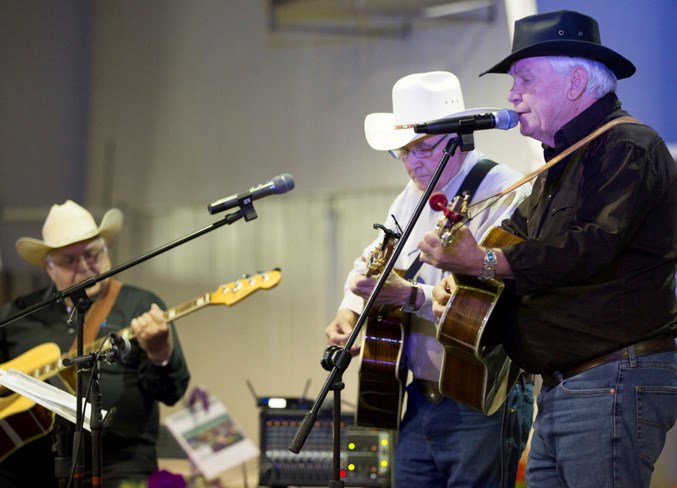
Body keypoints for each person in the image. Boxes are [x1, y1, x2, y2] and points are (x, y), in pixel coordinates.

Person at [422, 10, 677, 488]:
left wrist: (486, 261)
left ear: (576, 81)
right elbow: (513, 249)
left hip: (611, 379)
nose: (512, 95)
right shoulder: (555, 170)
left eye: (524, 80)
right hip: (569, 387)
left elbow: (591, 246)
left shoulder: (627, 146)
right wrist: (459, 286)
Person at [325, 71, 534, 487]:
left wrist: (408, 296)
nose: (411, 164)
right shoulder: (410, 196)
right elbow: (370, 259)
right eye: (401, 153)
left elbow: (488, 302)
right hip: (419, 398)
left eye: (422, 149)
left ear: (459, 140)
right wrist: (348, 313)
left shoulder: (504, 191)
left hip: (479, 398)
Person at [0, 200, 191, 487]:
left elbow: (171, 391)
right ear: (50, 267)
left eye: (92, 254)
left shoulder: (139, 305)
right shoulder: (17, 313)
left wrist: (160, 353)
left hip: (119, 467)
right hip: (26, 470)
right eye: (69, 261)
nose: (85, 267)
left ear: (107, 253)